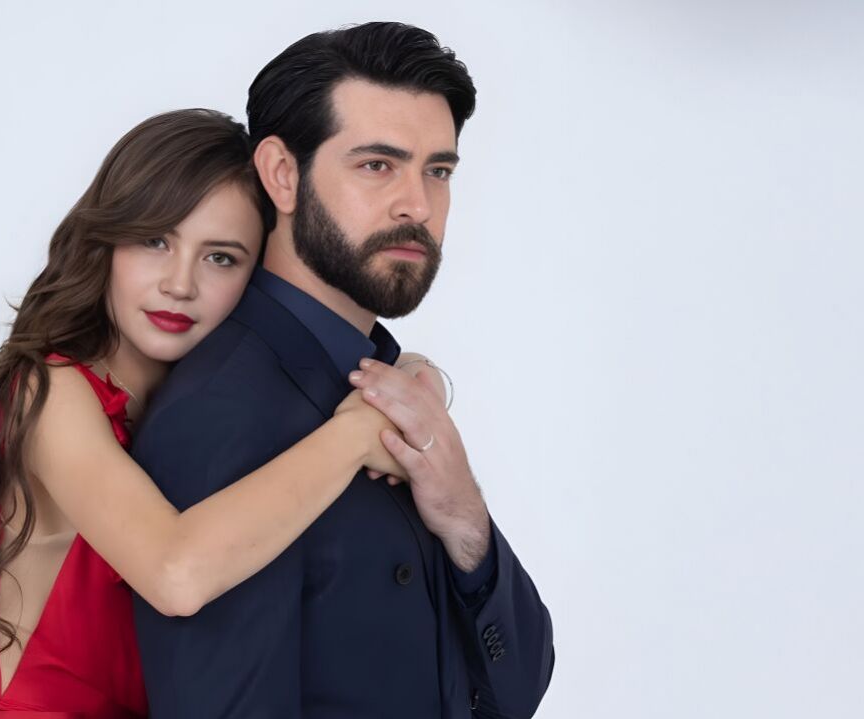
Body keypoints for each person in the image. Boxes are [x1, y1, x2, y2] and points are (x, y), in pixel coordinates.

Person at [0, 108, 431, 718]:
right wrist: (358, 432)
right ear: (105, 243)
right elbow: (175, 575)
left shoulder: (206, 412)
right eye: (155, 241)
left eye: (221, 258)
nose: (180, 283)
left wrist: (417, 380)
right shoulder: (47, 392)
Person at [130, 22, 556, 718]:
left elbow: (519, 688)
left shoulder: (397, 388)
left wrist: (464, 517)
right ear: (282, 174)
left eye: (438, 171)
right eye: (377, 165)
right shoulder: (221, 414)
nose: (417, 204)